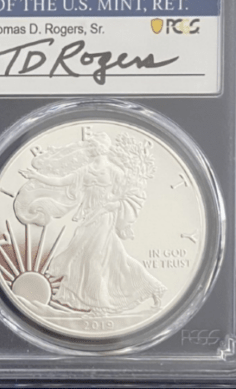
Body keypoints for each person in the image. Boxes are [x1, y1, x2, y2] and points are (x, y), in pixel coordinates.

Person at [13, 131, 166, 313]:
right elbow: (61, 181)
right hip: (89, 218)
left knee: (94, 258)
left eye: (96, 145)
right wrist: (37, 176)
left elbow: (130, 195)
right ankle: (153, 287)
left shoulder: (115, 172)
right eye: (92, 145)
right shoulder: (85, 170)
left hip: (105, 217)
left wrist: (113, 204)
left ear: (104, 148)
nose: (93, 148)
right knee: (112, 260)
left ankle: (100, 304)